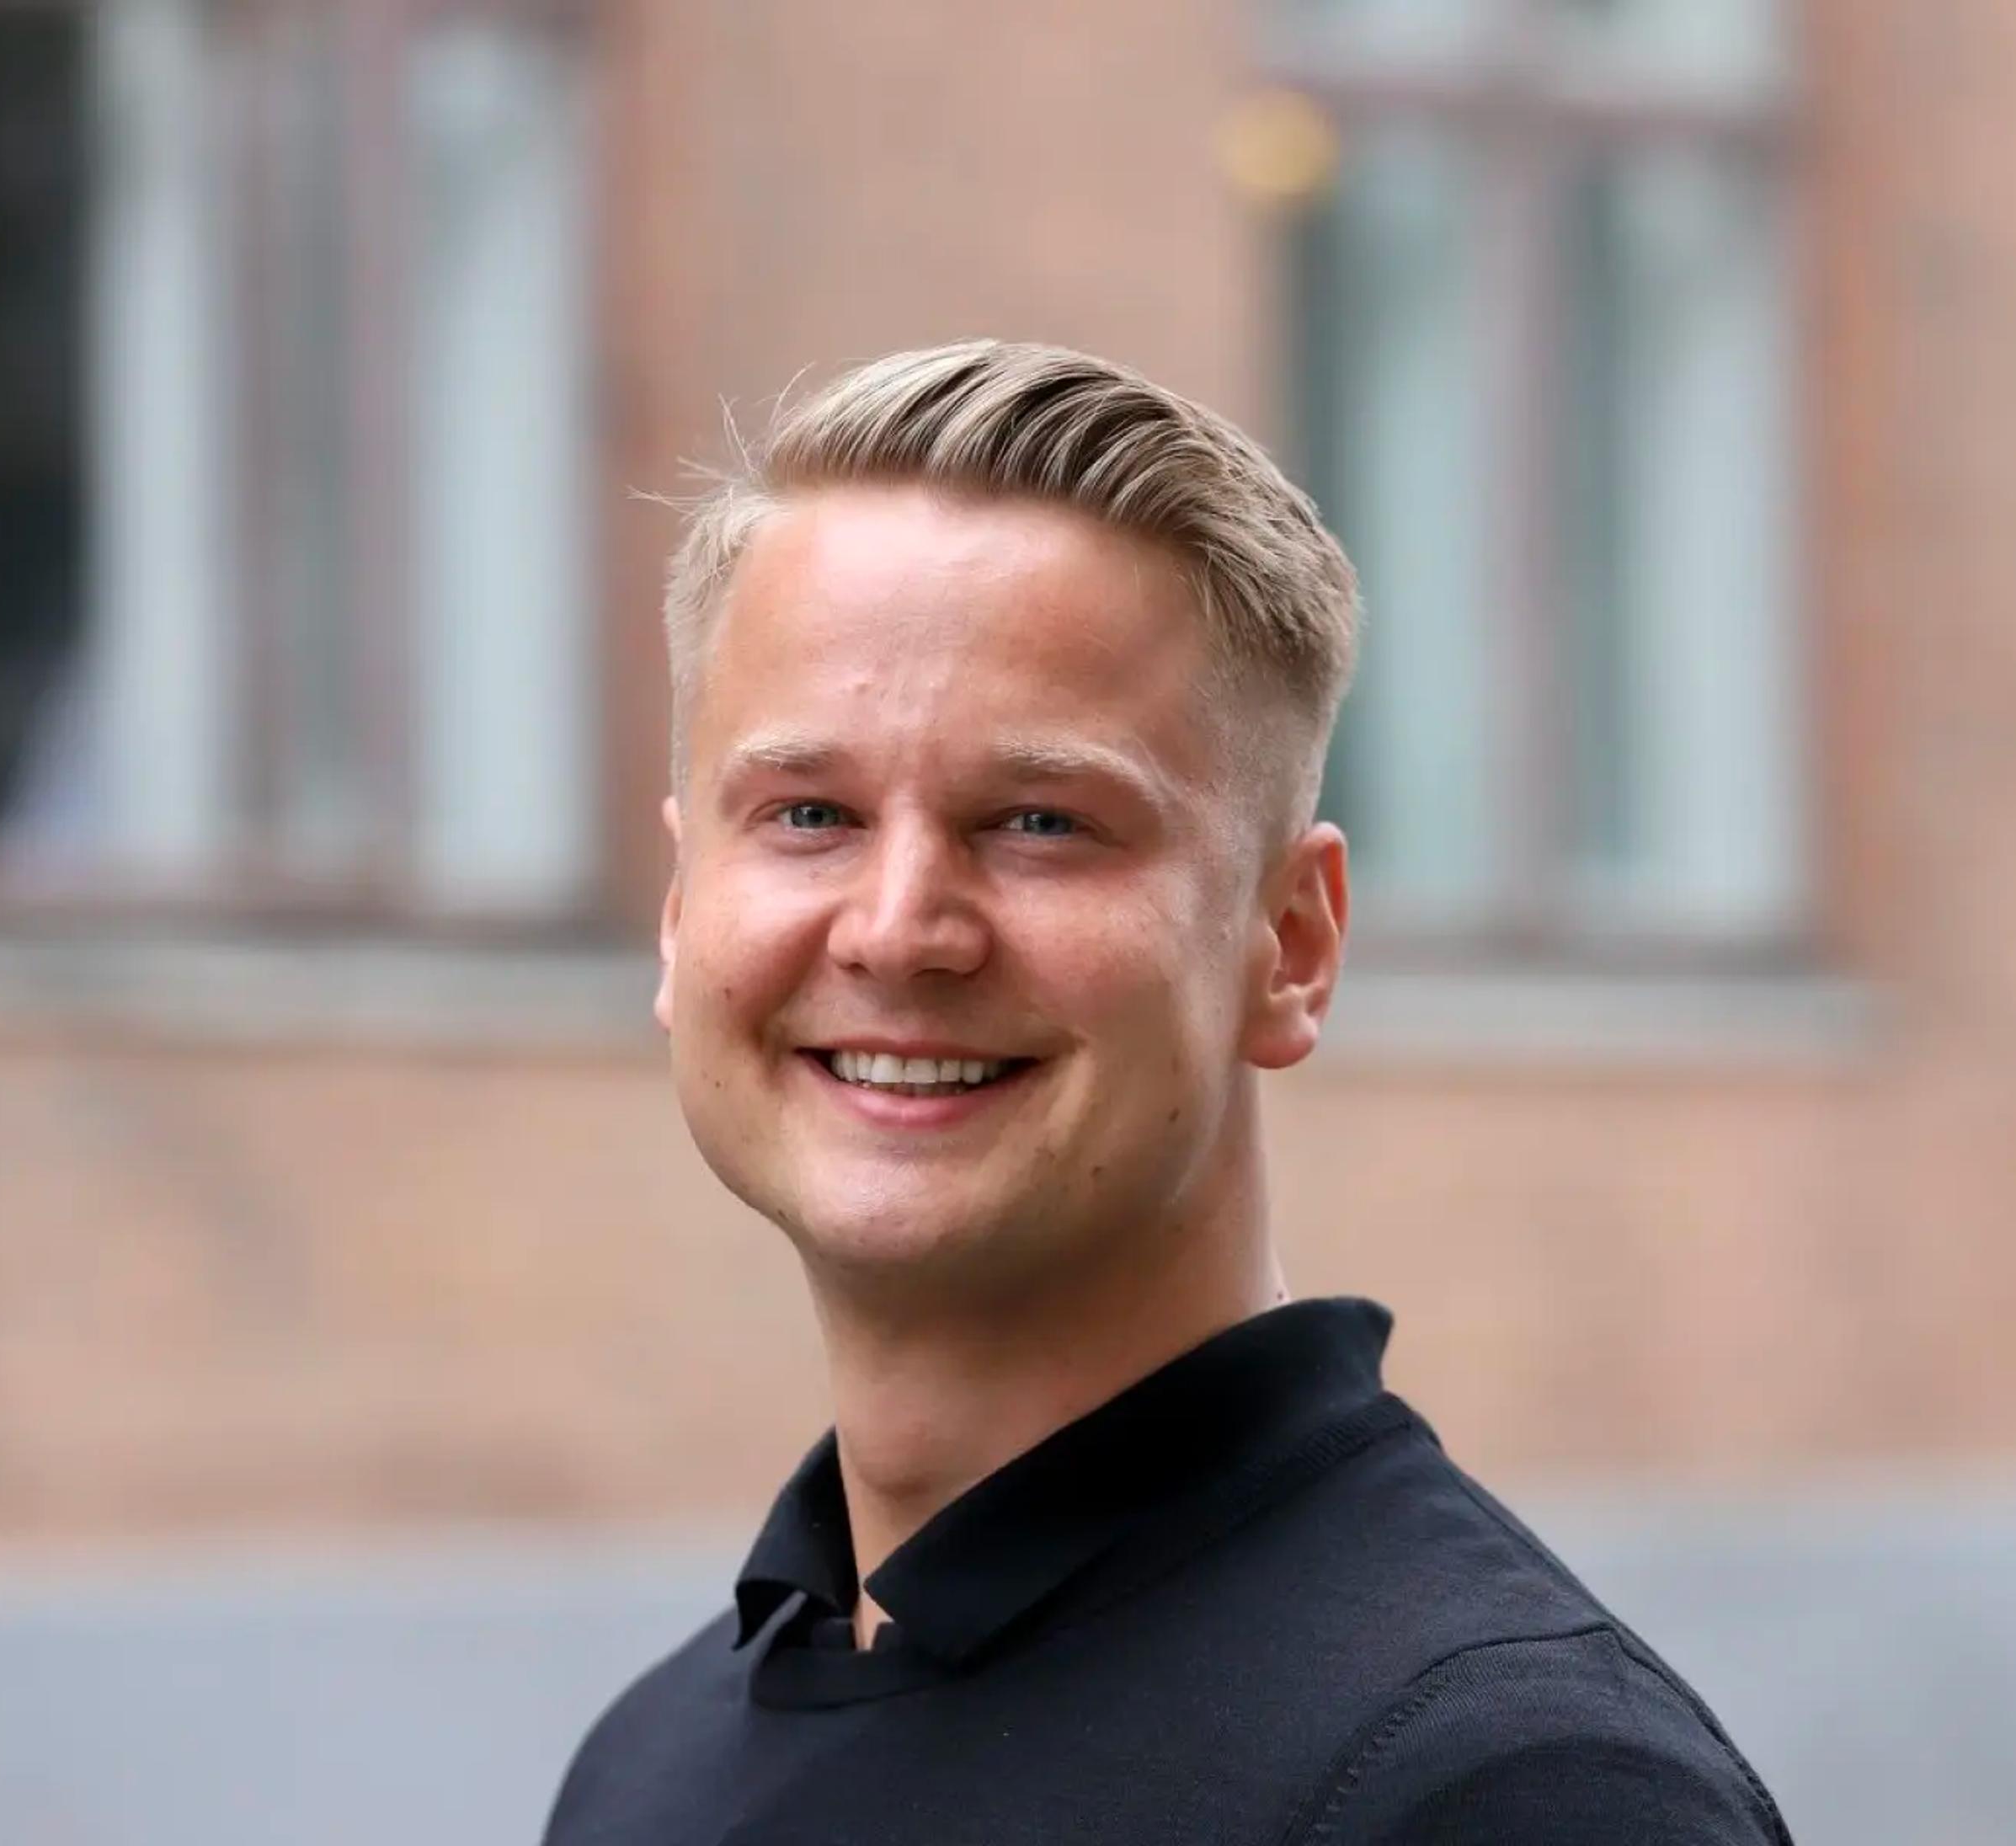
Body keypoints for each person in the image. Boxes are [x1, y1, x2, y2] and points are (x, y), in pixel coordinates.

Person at [544, 340, 1789, 1844]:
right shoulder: (651, 1767)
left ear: (1292, 945)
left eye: (1040, 823)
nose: (897, 929)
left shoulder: (1506, 1786)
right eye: (809, 814)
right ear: (682, 911)